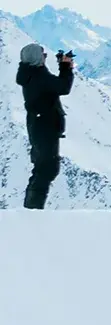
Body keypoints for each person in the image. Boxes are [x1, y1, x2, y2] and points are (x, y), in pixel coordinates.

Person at [15, 43, 74, 209]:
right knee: (47, 168)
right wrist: (65, 67)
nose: (45, 58)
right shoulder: (39, 75)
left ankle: (31, 207)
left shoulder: (29, 74)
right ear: (36, 58)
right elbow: (63, 87)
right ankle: (33, 209)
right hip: (46, 127)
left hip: (37, 126)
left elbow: (52, 85)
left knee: (42, 167)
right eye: (43, 55)